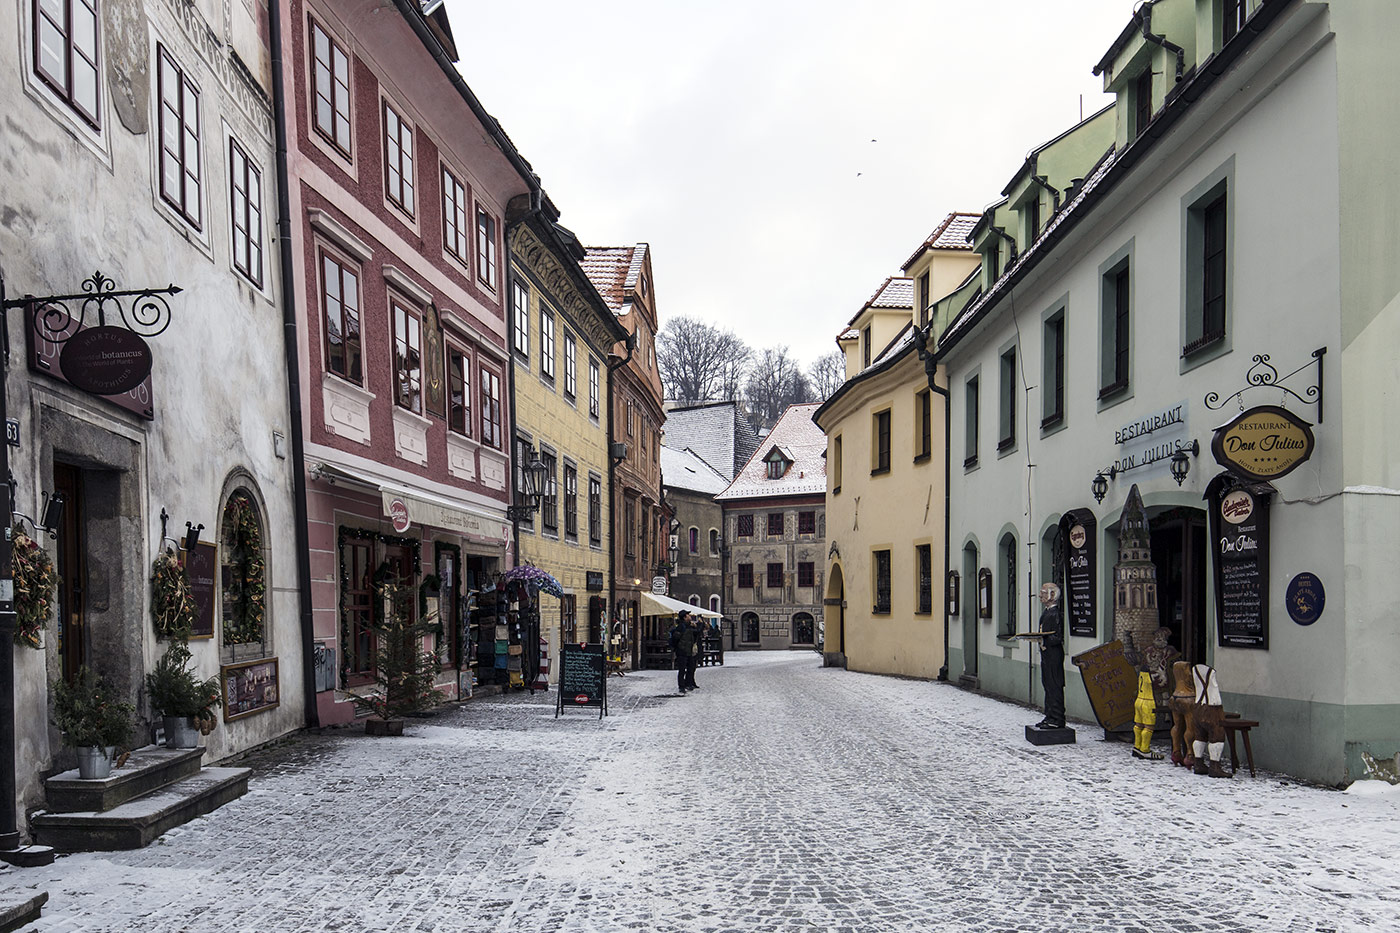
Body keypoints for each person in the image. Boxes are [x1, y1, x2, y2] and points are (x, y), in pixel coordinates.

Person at [1035, 583, 1066, 729]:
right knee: (1047, 685)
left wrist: (1043, 638)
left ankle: (1057, 718)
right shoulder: (1046, 613)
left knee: (1054, 685)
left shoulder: (1055, 614)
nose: (1040, 595)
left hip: (1053, 655)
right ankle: (1049, 716)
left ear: (1052, 595)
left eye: (1043, 592)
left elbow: (1058, 637)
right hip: (1046, 654)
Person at [669, 611, 698, 694]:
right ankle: (681, 686)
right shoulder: (681, 627)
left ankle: (687, 684)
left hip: (688, 651)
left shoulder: (688, 626)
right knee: (682, 669)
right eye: (688, 615)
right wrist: (678, 648)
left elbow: (696, 634)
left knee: (690, 668)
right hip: (682, 651)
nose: (690, 616)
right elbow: (676, 638)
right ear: (685, 617)